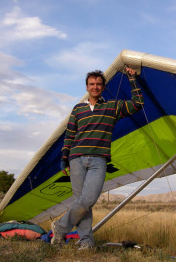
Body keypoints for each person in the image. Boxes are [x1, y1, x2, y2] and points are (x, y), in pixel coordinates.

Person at [51, 66, 143, 250]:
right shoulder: (78, 109)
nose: (95, 87)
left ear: (103, 87)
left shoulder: (112, 107)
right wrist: (64, 157)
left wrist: (132, 79)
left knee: (88, 199)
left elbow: (137, 104)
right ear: (86, 87)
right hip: (76, 159)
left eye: (99, 84)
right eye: (92, 84)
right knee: (82, 202)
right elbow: (69, 135)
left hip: (99, 160)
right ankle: (86, 242)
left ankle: (60, 228)